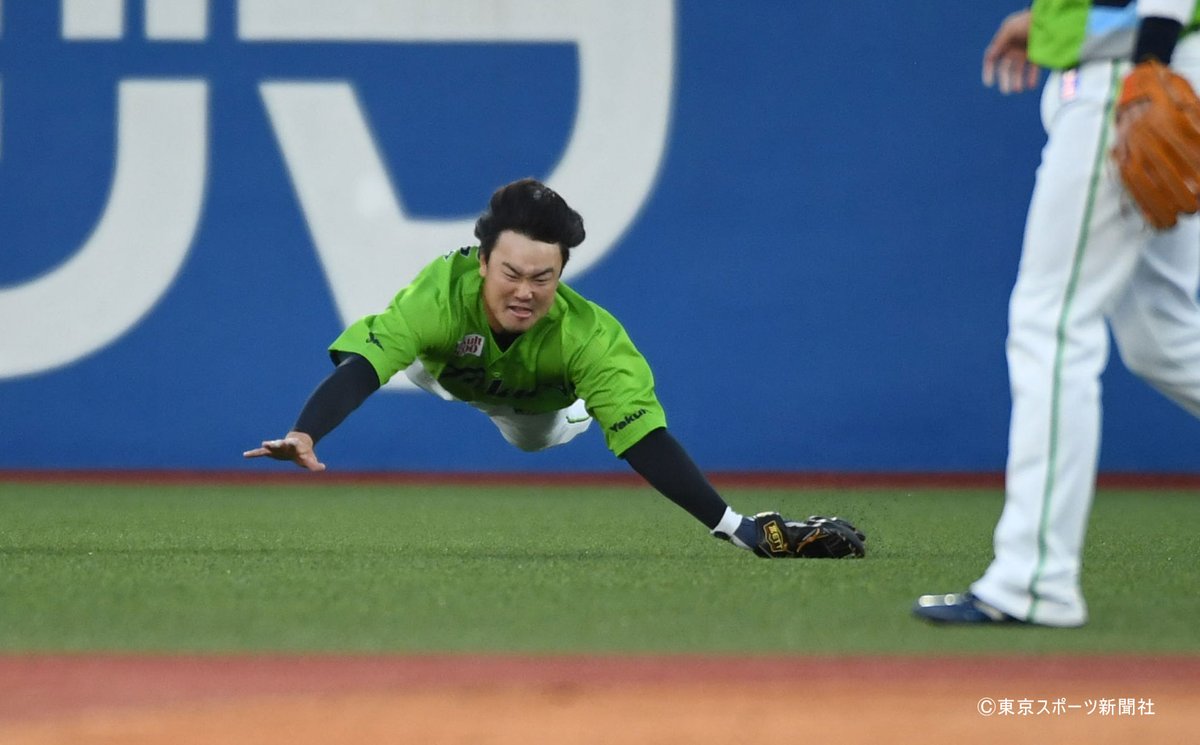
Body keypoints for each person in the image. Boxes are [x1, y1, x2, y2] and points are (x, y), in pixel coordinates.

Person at [245, 178, 865, 559]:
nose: (525, 290)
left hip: (534, 410)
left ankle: (574, 410)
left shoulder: (588, 335)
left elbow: (644, 440)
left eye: (543, 277)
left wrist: (737, 527)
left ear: (562, 273)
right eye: (511, 273)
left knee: (539, 438)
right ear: (483, 261)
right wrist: (306, 432)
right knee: (401, 362)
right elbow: (363, 369)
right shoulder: (439, 294)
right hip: (442, 367)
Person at [914, 2, 1200, 626]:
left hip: (1134, 77)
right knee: (1162, 336)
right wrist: (1048, 23)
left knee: (1052, 323)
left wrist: (1148, 62)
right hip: (1151, 64)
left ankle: (1034, 582)